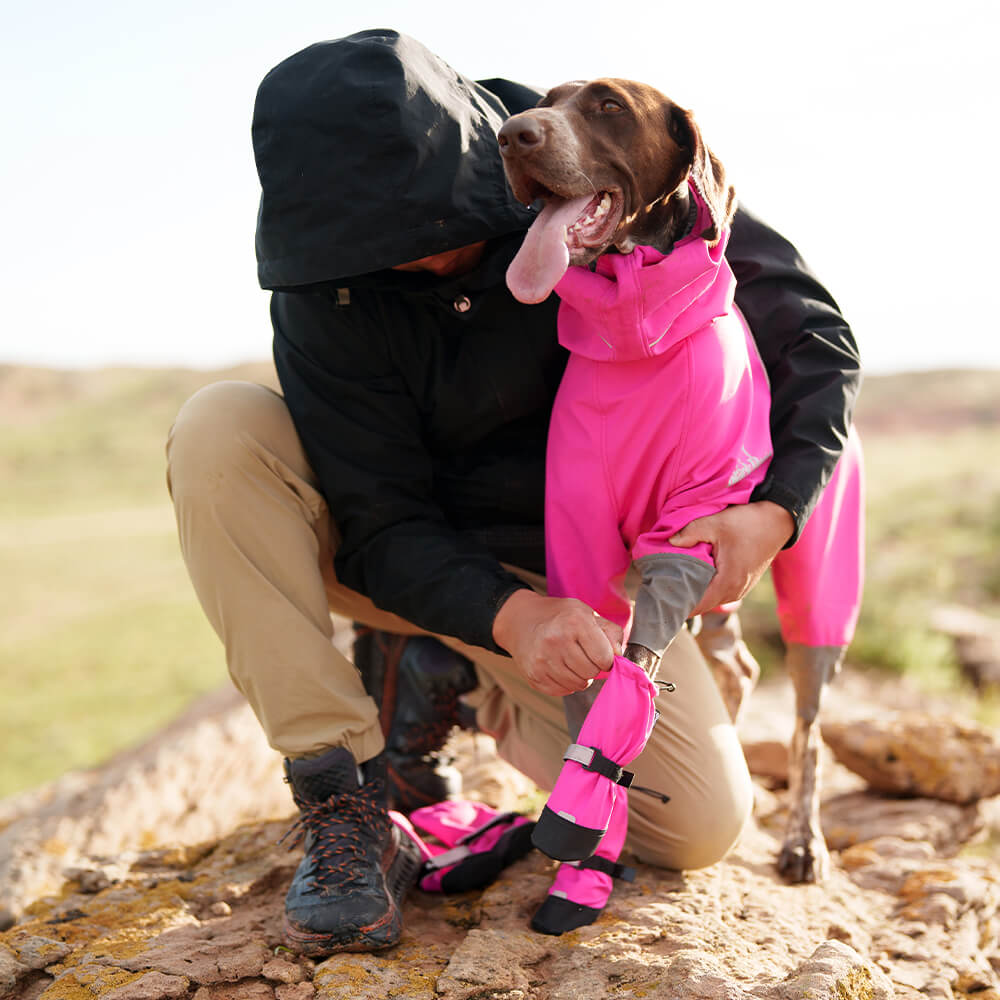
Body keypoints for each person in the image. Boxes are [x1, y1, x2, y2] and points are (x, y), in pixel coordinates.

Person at [166, 29, 861, 956]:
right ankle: (347, 795)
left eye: (441, 229)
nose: (426, 261)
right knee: (221, 426)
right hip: (411, 560)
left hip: (588, 569)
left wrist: (774, 510)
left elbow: (812, 339)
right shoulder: (320, 284)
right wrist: (512, 619)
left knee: (692, 830)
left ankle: (437, 673)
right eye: (386, 248)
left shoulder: (583, 145)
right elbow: (377, 518)